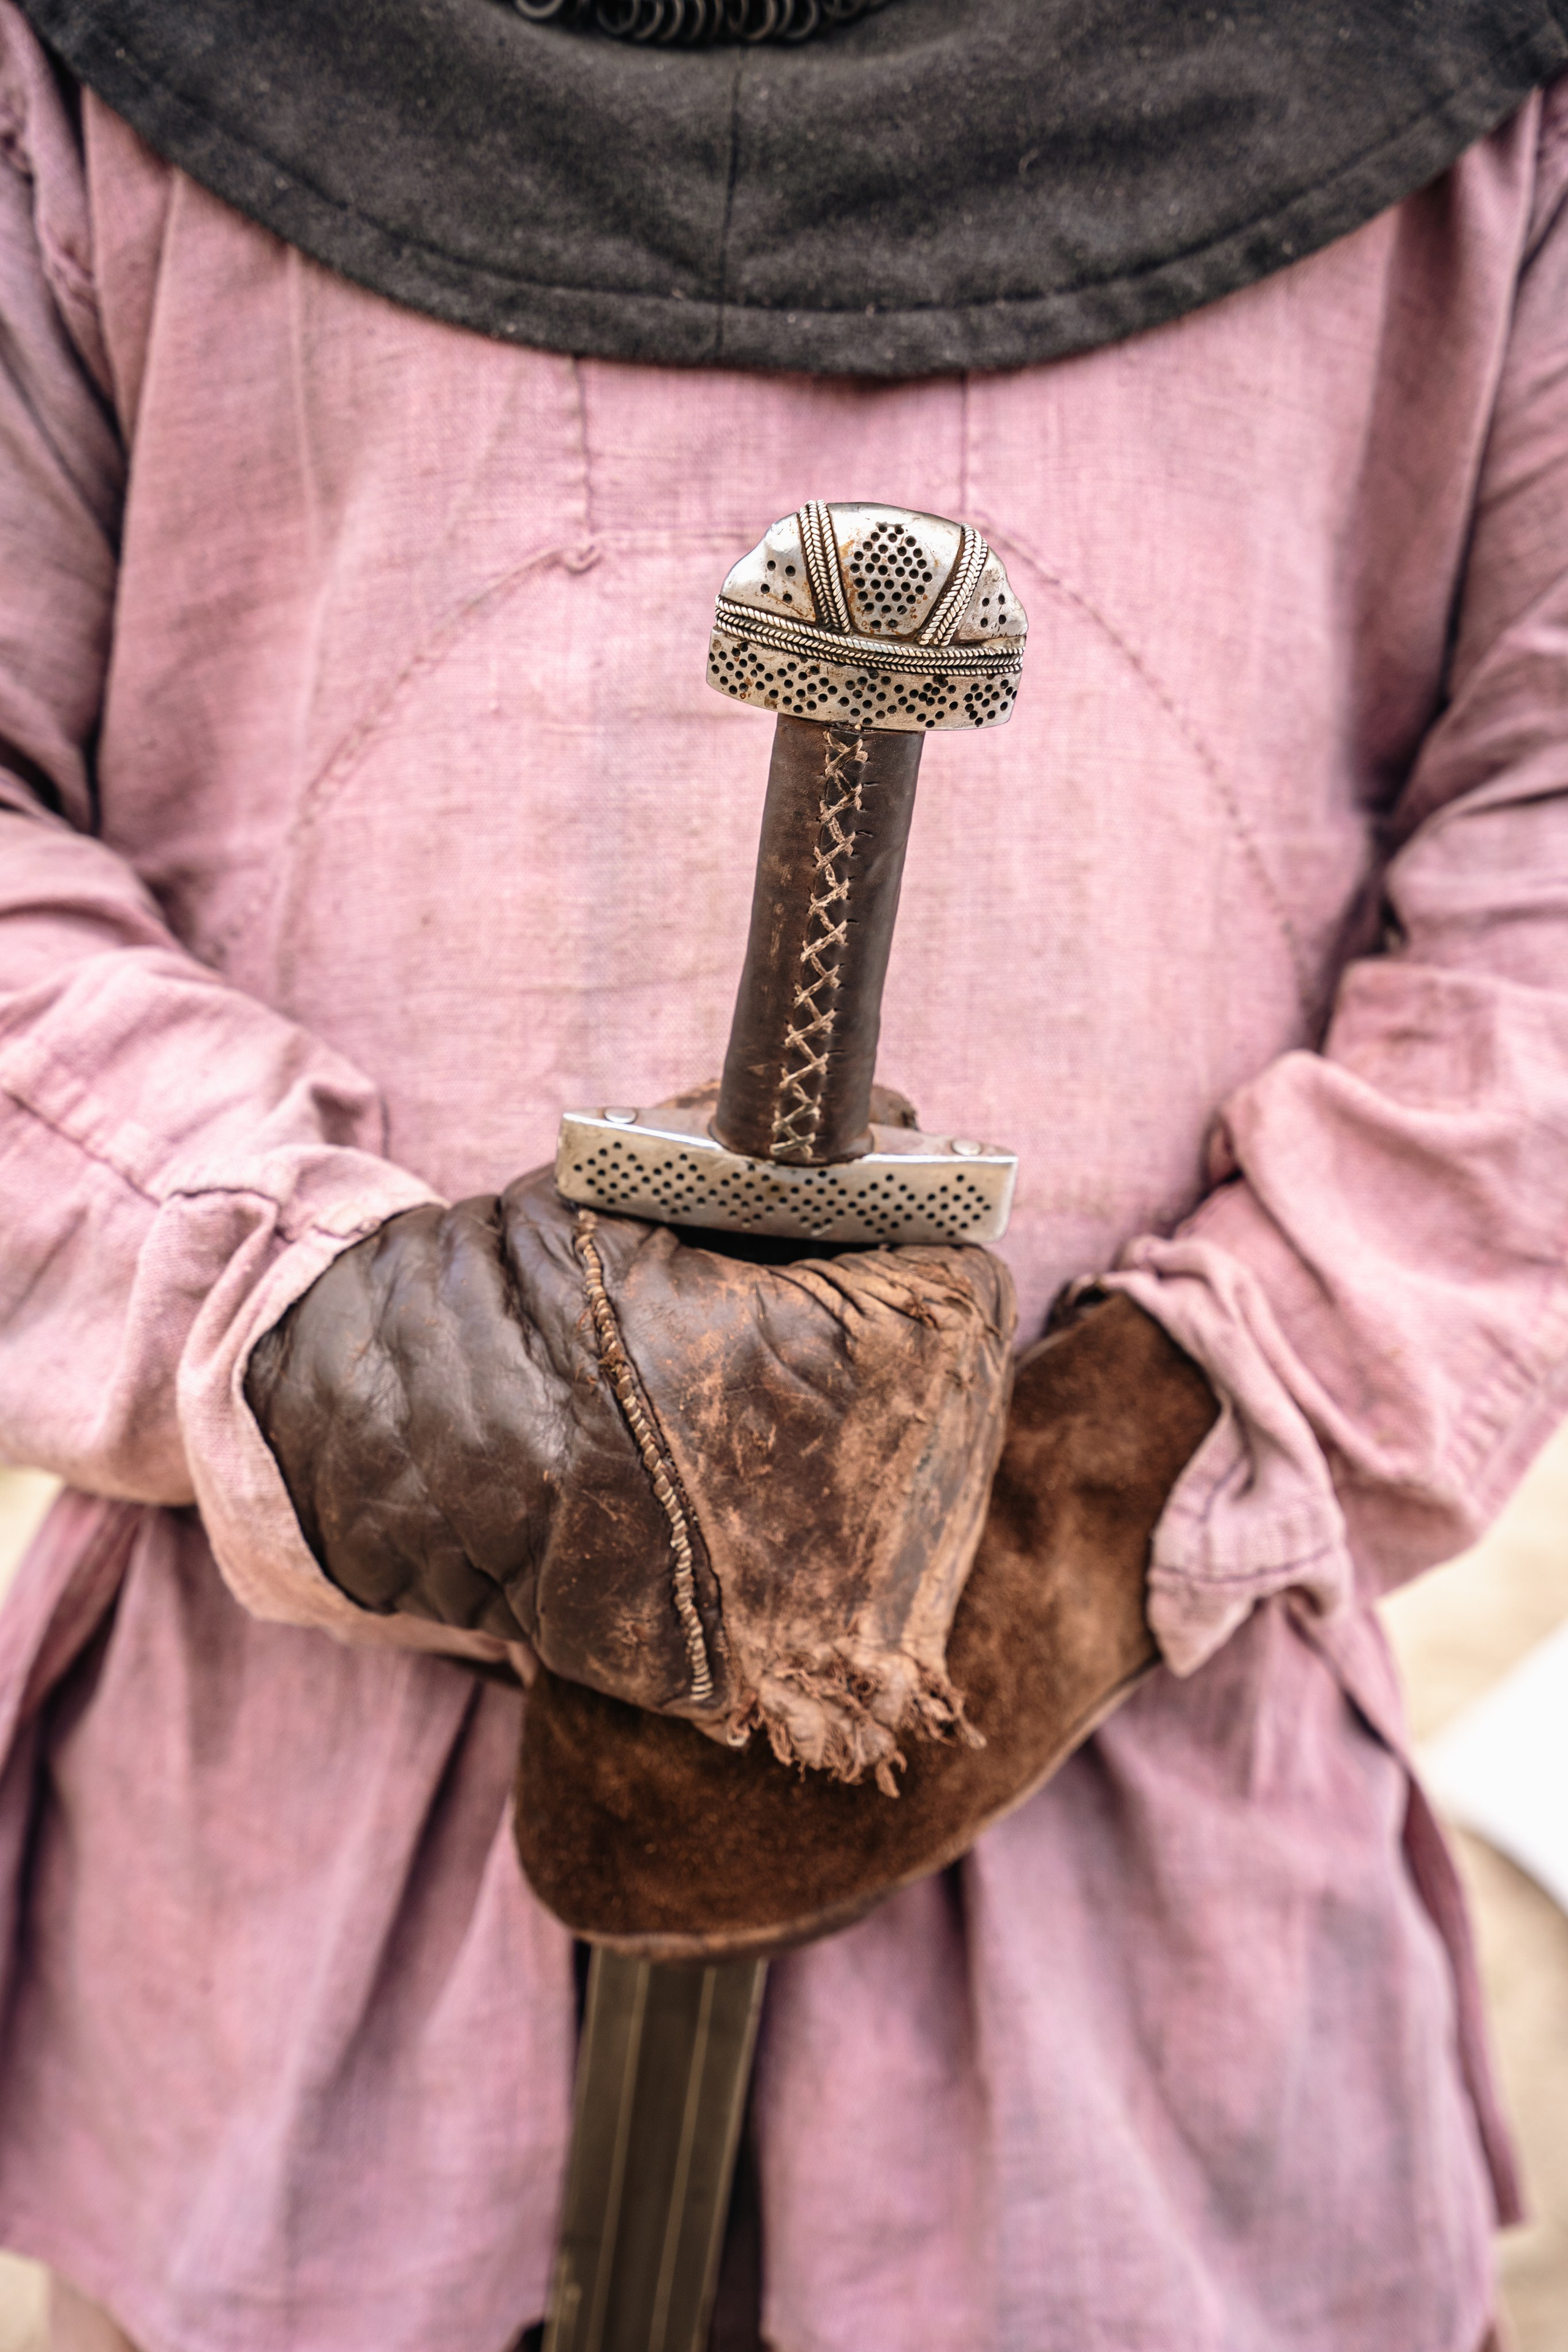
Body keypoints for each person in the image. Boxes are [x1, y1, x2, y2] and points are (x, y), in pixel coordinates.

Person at [0, 1, 1564, 2345]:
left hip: (1127, 1902)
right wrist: (378, 1362)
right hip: (285, 1910)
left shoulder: (1471, 83)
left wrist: (1107, 1495)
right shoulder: (100, 57)